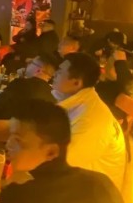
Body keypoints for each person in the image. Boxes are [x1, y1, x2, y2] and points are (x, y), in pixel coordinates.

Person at [0, 100, 133, 203]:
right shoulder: (102, 183)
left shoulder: (17, 199)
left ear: (51, 152)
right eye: (10, 135)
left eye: (18, 140)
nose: (8, 143)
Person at [52, 52, 126, 189]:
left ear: (76, 82)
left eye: (60, 71)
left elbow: (61, 163)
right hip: (80, 182)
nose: (54, 74)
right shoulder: (79, 99)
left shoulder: (91, 120)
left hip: (93, 194)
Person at [0, 54, 56, 119]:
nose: (27, 65)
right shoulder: (53, 96)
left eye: (31, 63)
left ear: (39, 70)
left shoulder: (19, 84)